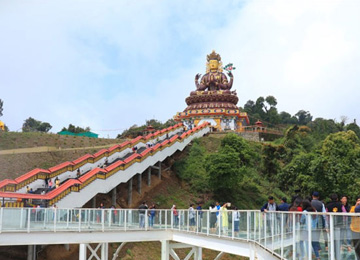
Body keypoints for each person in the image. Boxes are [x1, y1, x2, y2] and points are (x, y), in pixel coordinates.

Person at [326, 194, 343, 260]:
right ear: (337, 199)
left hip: (331, 225)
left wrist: (327, 225)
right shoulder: (341, 205)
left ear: (330, 199)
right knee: (338, 241)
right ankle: (338, 257)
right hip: (339, 225)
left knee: (331, 240)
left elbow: (326, 216)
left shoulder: (328, 205)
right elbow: (344, 214)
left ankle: (331, 256)